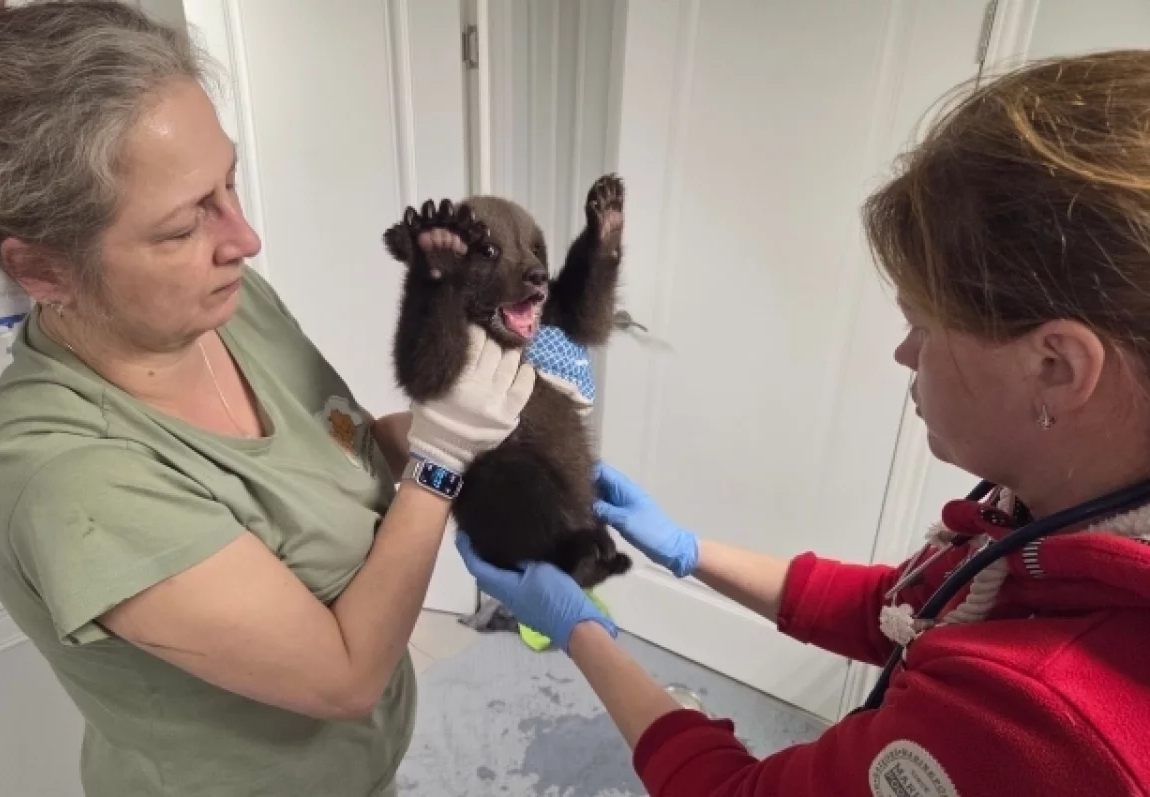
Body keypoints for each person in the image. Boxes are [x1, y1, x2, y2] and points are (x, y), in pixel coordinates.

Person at [457, 49, 1150, 796]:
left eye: (923, 327)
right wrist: (688, 550)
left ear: (1057, 366)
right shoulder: (1053, 516)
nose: (903, 353)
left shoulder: (1044, 718)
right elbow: (903, 609)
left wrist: (580, 631)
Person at [0, 3, 534, 795]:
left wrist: (473, 440)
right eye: (182, 227)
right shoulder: (68, 478)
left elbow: (342, 446)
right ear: (44, 270)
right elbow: (344, 676)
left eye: (228, 182)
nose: (244, 238)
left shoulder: (228, 306)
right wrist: (441, 465)